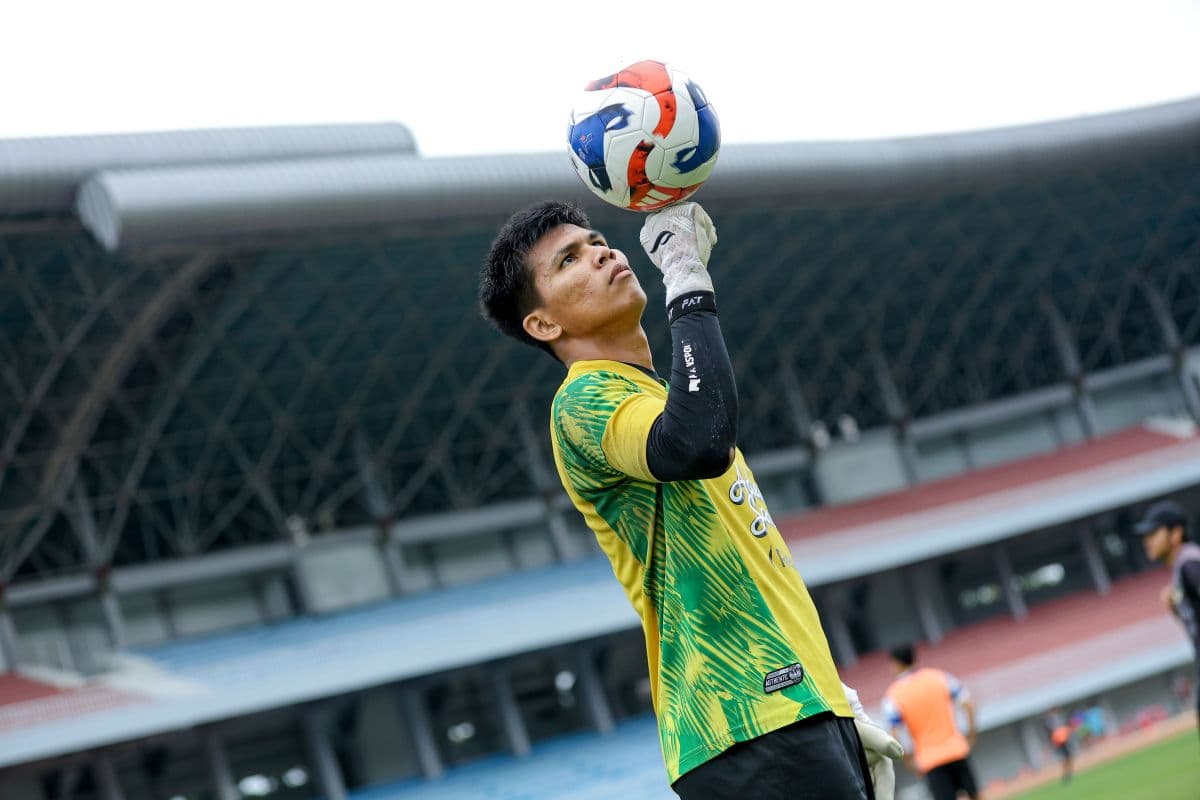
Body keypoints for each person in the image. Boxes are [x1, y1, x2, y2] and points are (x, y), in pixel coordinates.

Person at [479, 201, 902, 799]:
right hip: (743, 725)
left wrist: (829, 701)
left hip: (790, 710)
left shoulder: (654, 397)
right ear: (544, 325)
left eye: (597, 239)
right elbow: (697, 441)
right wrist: (685, 278)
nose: (602, 251)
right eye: (570, 259)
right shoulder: (583, 402)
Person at [882, 643, 982, 800]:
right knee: (976, 796)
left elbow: (894, 734)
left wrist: (908, 760)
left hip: (929, 759)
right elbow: (968, 704)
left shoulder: (893, 694)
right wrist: (971, 734)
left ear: (896, 663)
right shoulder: (939, 676)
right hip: (956, 748)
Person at [1135, 499, 1200, 735]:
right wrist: (1177, 607)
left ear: (1176, 533)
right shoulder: (1184, 568)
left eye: (1154, 533)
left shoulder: (1189, 564)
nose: (1147, 541)